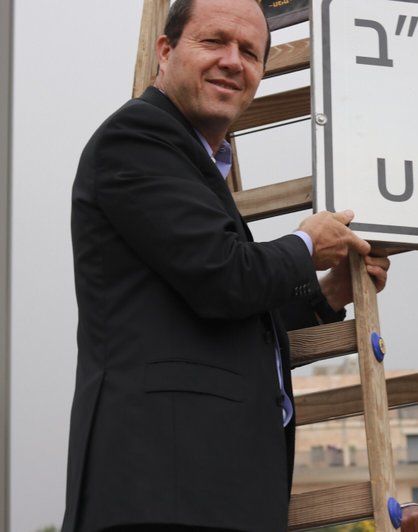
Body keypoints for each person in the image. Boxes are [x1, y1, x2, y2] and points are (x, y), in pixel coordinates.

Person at [62, 0, 389, 530]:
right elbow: (225, 278)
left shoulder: (187, 161)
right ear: (165, 52)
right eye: (214, 41)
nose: (234, 61)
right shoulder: (138, 138)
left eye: (250, 52)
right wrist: (306, 245)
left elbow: (216, 312)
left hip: (207, 488)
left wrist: (327, 293)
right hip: (163, 492)